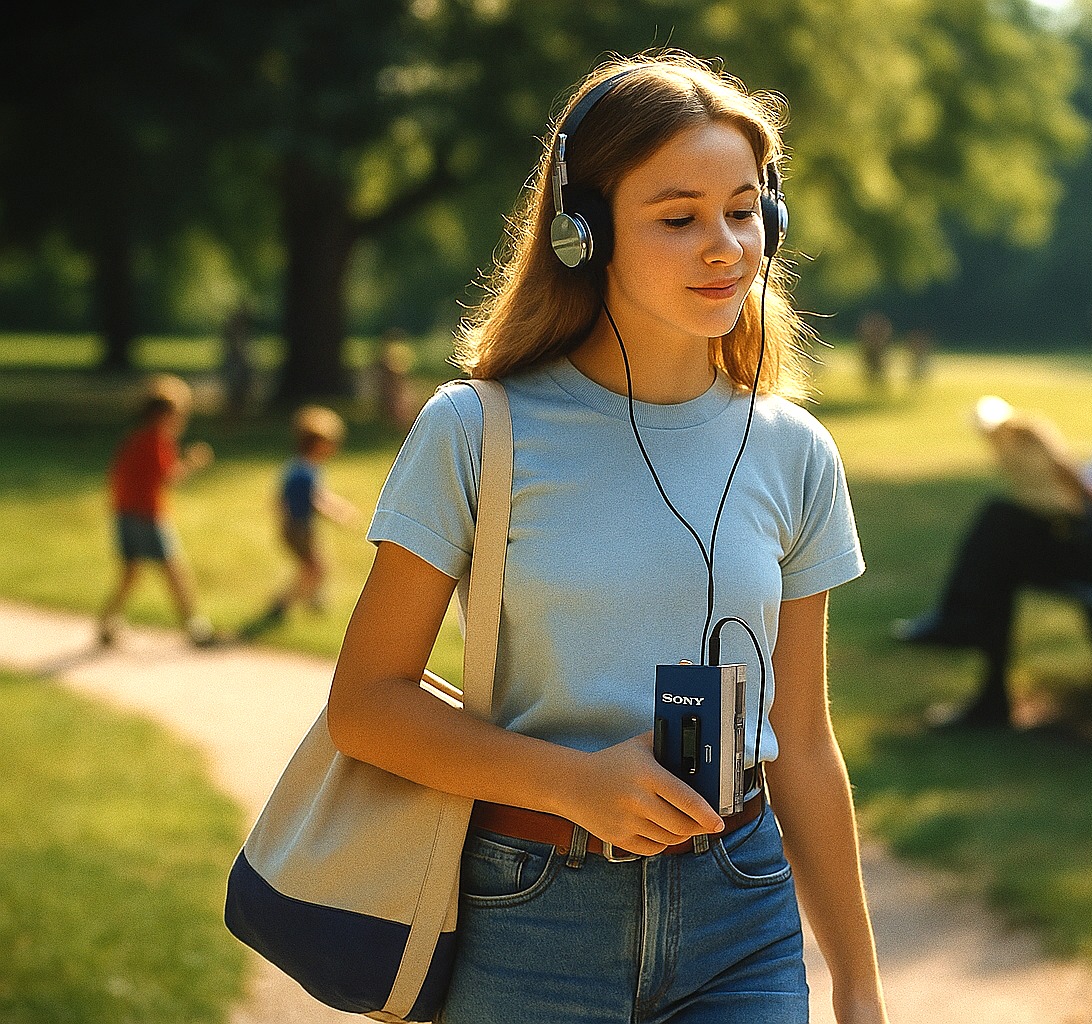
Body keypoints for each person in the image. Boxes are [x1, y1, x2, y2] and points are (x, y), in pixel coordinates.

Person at [324, 53, 886, 1024]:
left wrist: (861, 988)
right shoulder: (476, 431)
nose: (725, 246)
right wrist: (575, 782)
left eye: (744, 210)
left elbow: (801, 740)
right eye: (677, 218)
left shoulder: (795, 450)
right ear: (583, 235)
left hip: (740, 914)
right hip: (528, 919)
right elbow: (366, 705)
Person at [892, 335, 1092, 729]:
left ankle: (964, 633)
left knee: (1002, 536)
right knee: (1002, 526)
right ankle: (979, 669)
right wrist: (1067, 481)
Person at [97, 372, 220, 648]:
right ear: (164, 415)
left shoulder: (134, 439)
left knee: (131, 571)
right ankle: (195, 627)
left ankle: (108, 621)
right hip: (148, 515)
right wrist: (194, 461)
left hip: (125, 513)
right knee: (174, 569)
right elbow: (170, 477)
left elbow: (117, 475)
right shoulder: (158, 442)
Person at [243, 405, 356, 637]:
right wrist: (338, 513)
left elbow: (295, 497)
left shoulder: (302, 467)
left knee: (317, 567)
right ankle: (282, 604)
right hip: (298, 528)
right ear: (317, 444)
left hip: (300, 527)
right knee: (314, 569)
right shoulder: (303, 471)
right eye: (330, 444)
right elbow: (316, 500)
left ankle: (313, 603)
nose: (334, 449)